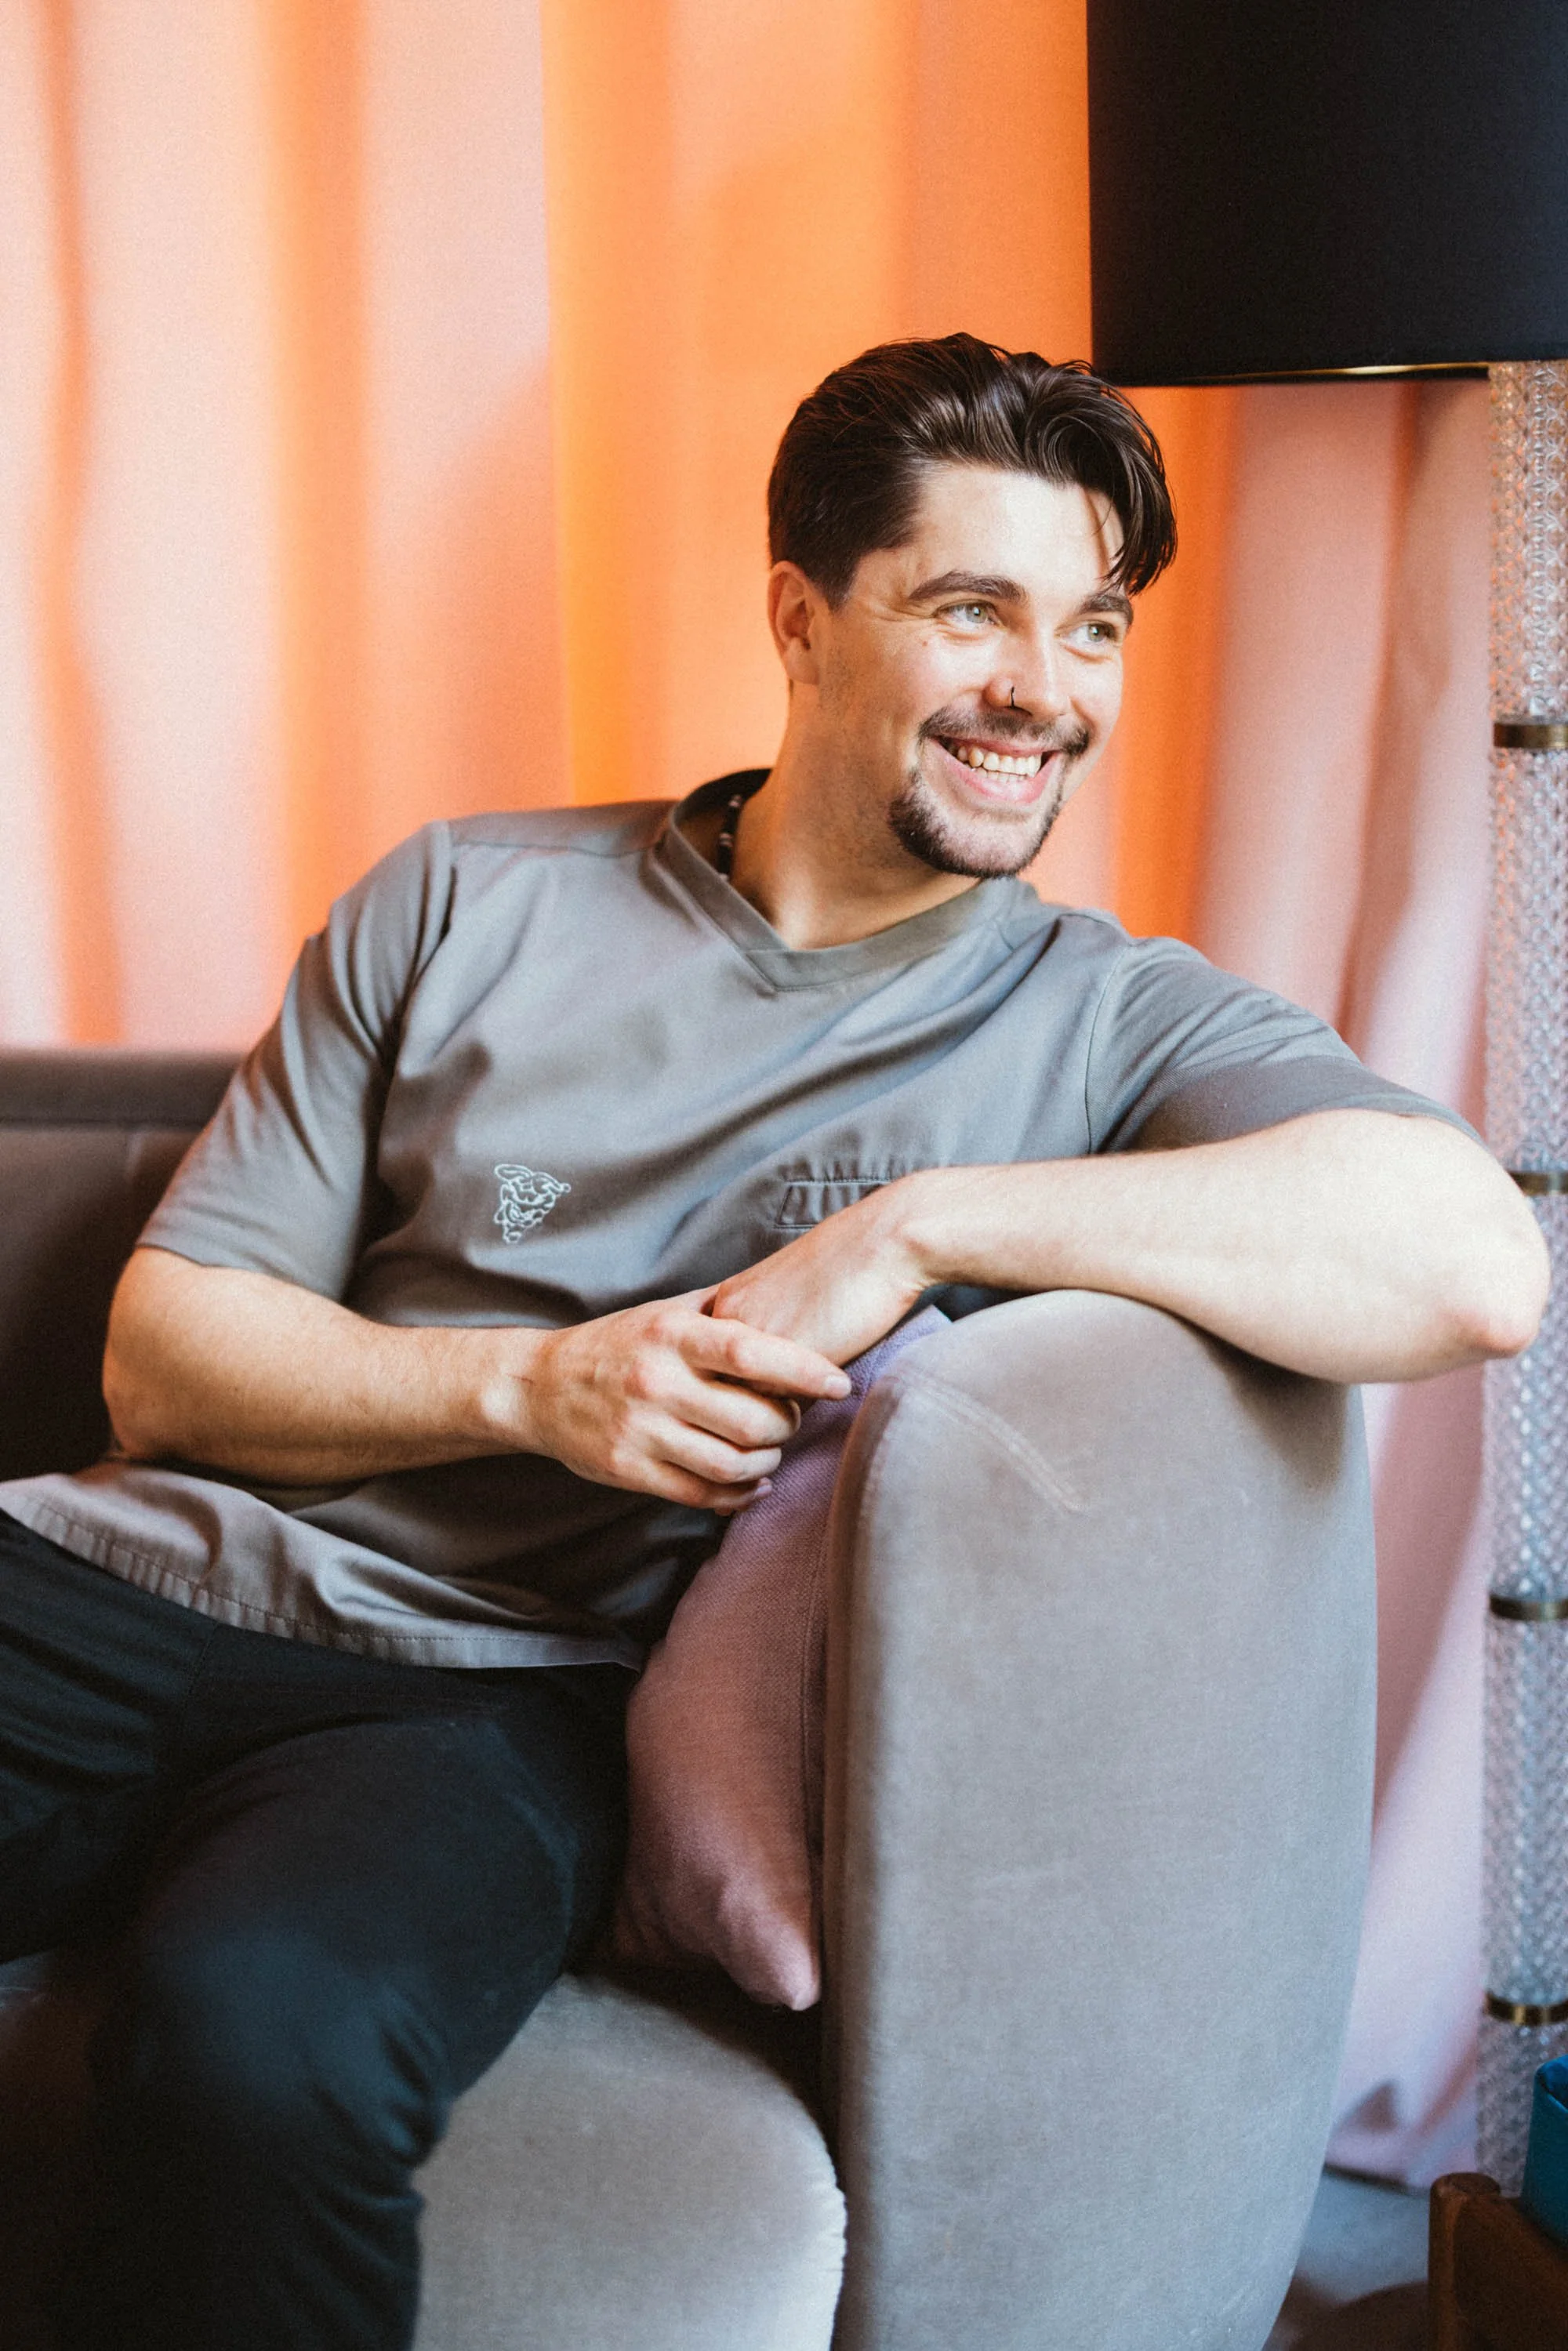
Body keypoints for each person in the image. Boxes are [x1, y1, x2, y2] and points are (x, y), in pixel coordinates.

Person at [0, 335, 1546, 2351]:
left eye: (1092, 624)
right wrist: (527, 1389)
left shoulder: (1104, 1024)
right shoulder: (469, 898)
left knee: (263, 2041)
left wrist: (922, 1221)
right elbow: (167, 1357)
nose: (1044, 689)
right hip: (125, 1579)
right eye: (970, 606)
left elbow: (1468, 1262)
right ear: (801, 620)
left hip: (491, 1706)